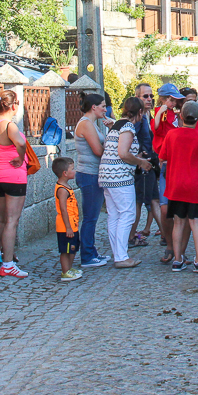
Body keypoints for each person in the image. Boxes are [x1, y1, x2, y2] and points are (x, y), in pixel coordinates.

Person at [158, 101, 198, 272]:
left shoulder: (171, 135)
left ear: (181, 116)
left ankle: (177, 260)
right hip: (194, 186)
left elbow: (162, 157)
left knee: (178, 223)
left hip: (175, 185)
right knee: (195, 223)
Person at [98, 97, 152, 269]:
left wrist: (137, 158)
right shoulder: (128, 127)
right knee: (127, 214)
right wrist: (141, 162)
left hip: (107, 175)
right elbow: (123, 153)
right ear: (140, 112)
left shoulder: (116, 125)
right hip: (120, 176)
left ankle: (118, 254)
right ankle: (121, 257)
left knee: (114, 215)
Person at [0, 89, 30, 278]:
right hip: (14, 176)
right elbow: (20, 143)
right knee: (12, 220)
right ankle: (8, 264)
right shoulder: (9, 125)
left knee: (0, 218)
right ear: (13, 106)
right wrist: (21, 158)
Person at [74, 92, 113, 268]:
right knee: (90, 217)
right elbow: (98, 151)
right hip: (89, 174)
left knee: (93, 216)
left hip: (92, 173)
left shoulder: (92, 124)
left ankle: (92, 252)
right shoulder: (86, 124)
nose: (105, 109)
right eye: (103, 106)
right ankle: (87, 256)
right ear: (94, 107)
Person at [152, 83, 186, 263]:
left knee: (181, 209)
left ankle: (179, 248)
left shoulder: (174, 114)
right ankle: (170, 243)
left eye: (174, 100)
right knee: (165, 208)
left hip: (176, 158)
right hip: (165, 159)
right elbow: (156, 129)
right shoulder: (161, 112)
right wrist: (161, 112)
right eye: (171, 100)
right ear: (164, 99)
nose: (174, 103)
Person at [129, 83, 161, 249]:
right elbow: (131, 138)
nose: (149, 99)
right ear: (137, 98)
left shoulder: (147, 116)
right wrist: (140, 156)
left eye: (151, 96)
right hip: (141, 166)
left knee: (154, 200)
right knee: (139, 202)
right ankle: (131, 236)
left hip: (149, 163)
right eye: (145, 96)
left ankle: (166, 235)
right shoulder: (138, 118)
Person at [52, 157, 82, 282]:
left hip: (72, 224)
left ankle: (69, 268)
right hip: (65, 226)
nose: (75, 171)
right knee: (66, 250)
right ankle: (65, 272)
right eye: (72, 169)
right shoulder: (62, 190)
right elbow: (63, 209)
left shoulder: (66, 186)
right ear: (65, 173)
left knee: (73, 248)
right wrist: (68, 227)